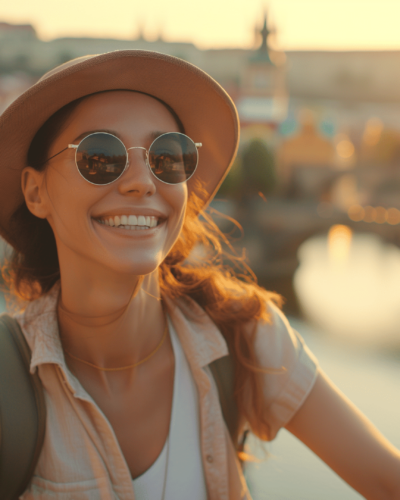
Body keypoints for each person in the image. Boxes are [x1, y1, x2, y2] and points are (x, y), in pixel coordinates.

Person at [0, 50, 399, 500]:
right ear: (35, 192)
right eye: (99, 155)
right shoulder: (8, 381)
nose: (142, 181)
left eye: (167, 156)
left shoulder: (243, 333)